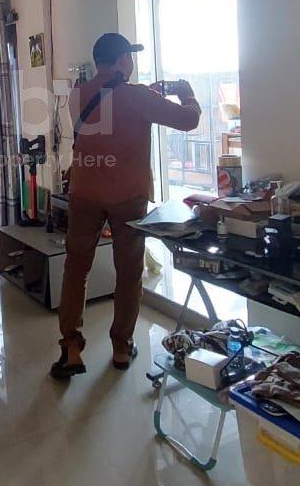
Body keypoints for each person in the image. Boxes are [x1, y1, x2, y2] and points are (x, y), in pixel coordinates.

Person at [50, 33, 202, 380]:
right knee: (129, 272)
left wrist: (148, 93)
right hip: (126, 198)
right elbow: (188, 120)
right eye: (129, 57)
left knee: (76, 269)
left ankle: (70, 348)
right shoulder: (137, 96)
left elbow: (110, 108)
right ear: (122, 60)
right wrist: (187, 93)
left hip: (84, 192)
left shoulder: (77, 95)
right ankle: (121, 347)